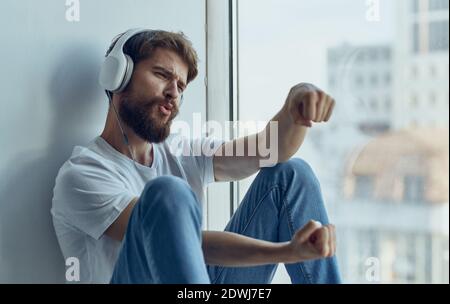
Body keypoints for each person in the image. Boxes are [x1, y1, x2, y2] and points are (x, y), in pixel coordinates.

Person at [51, 28, 341, 284]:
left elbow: (267, 151)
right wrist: (286, 252)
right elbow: (180, 245)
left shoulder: (180, 150)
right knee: (167, 192)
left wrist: (297, 105)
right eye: (162, 75)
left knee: (291, 174)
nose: (173, 93)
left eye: (180, 86)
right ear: (118, 76)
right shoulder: (83, 173)